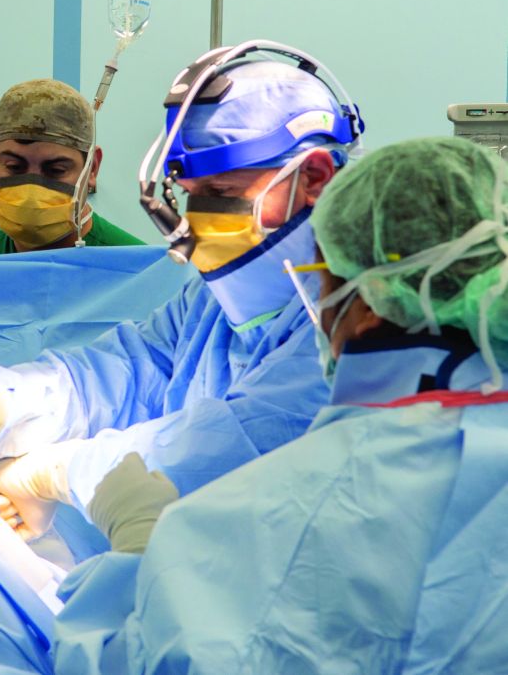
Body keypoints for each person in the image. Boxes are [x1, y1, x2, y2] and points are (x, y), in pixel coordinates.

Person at [0, 42, 364, 549]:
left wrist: (56, 471)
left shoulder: (364, 319)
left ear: (313, 178)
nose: (197, 217)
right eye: (189, 193)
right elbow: (125, 372)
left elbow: (240, 446)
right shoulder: (213, 301)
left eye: (219, 192)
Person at [52, 136, 508, 674]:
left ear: (361, 302)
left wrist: (139, 560)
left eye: (322, 279)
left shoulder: (291, 512)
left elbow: (130, 661)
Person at [0, 78, 142, 259]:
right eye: (14, 167)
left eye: (56, 170)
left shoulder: (139, 272)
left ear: (92, 169)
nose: (31, 194)